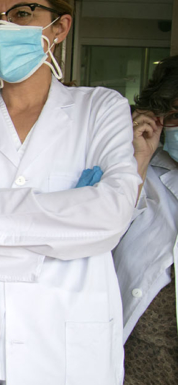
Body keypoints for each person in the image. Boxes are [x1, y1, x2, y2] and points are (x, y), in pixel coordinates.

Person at [0, 1, 140, 384]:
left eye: (21, 13)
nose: (2, 28)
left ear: (60, 28)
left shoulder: (100, 109)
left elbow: (111, 214)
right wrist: (61, 230)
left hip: (60, 345)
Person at [113, 55, 178, 384]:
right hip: (140, 352)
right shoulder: (140, 166)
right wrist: (139, 157)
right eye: (176, 115)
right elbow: (105, 231)